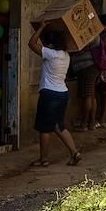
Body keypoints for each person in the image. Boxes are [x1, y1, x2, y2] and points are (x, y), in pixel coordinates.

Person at [27, 21, 82, 167]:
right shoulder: (66, 55)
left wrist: (42, 27)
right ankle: (74, 152)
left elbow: (31, 43)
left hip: (49, 95)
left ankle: (43, 159)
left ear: (51, 44)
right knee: (59, 126)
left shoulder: (51, 54)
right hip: (62, 93)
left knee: (44, 128)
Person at [69, 38, 101, 131]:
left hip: (86, 66)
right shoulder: (96, 35)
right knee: (91, 96)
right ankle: (91, 123)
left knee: (87, 96)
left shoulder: (92, 35)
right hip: (92, 67)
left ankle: (84, 124)